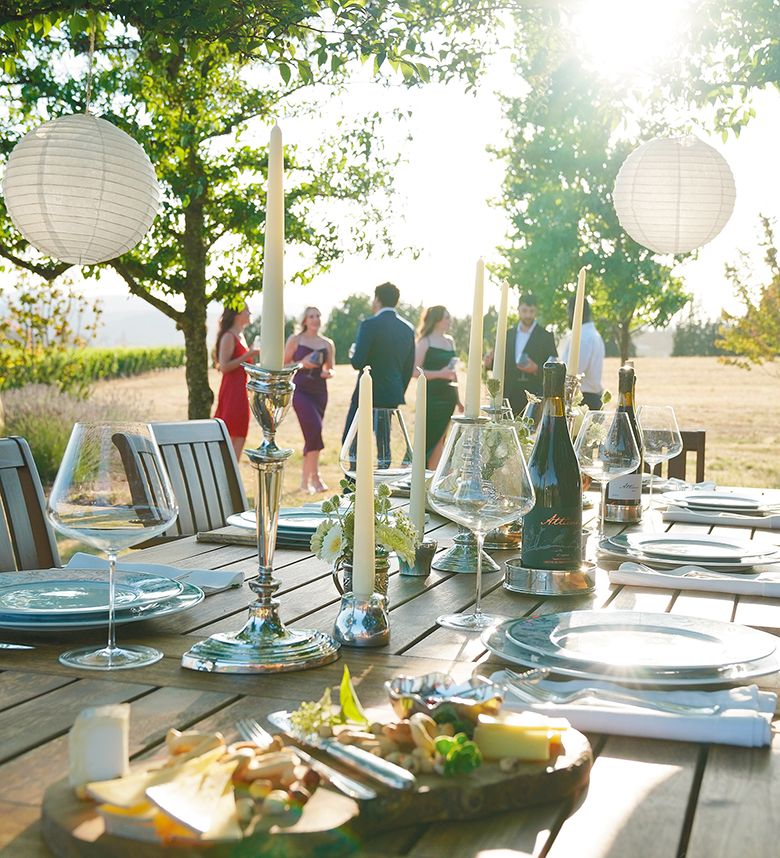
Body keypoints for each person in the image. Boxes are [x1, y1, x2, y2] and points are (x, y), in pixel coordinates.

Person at [342, 282, 415, 442]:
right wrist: (398, 390)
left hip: (366, 393)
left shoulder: (369, 325)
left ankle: (355, 468)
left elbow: (358, 362)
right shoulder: (408, 328)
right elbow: (409, 367)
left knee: (352, 441)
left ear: (377, 299)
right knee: (383, 444)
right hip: (391, 393)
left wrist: (352, 353)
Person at [283, 307, 335, 494]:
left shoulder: (327, 343)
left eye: (318, 316)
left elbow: (331, 368)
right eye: (311, 316)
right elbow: (282, 365)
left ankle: (306, 482)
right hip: (301, 391)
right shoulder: (295, 340)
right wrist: (301, 363)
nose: (315, 319)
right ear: (304, 320)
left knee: (312, 433)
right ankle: (315, 477)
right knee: (315, 428)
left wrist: (327, 372)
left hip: (320, 392)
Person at [485, 292, 557, 416]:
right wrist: (488, 363)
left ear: (536, 311)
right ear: (518, 309)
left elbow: (553, 368)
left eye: (531, 311)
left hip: (534, 396)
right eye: (524, 310)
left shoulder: (546, 336)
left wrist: (537, 369)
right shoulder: (507, 334)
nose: (528, 315)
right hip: (508, 395)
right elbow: (499, 365)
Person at [413, 306, 463, 469]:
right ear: (437, 320)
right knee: (428, 438)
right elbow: (415, 372)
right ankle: (420, 472)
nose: (450, 321)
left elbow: (452, 373)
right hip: (431, 397)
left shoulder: (450, 341)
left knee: (442, 438)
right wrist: (440, 374)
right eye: (446, 318)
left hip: (448, 396)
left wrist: (458, 400)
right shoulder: (424, 341)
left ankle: (433, 475)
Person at [213, 304, 259, 460]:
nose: (250, 312)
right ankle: (226, 475)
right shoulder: (228, 336)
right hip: (232, 391)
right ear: (236, 314)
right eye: (247, 310)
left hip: (242, 391)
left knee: (240, 433)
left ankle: (233, 474)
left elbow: (244, 365)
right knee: (230, 433)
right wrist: (249, 354)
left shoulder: (241, 336)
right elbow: (224, 366)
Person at [560, 297, 605, 410]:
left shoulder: (582, 337)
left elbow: (574, 371)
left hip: (583, 400)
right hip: (590, 397)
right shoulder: (593, 334)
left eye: (568, 312)